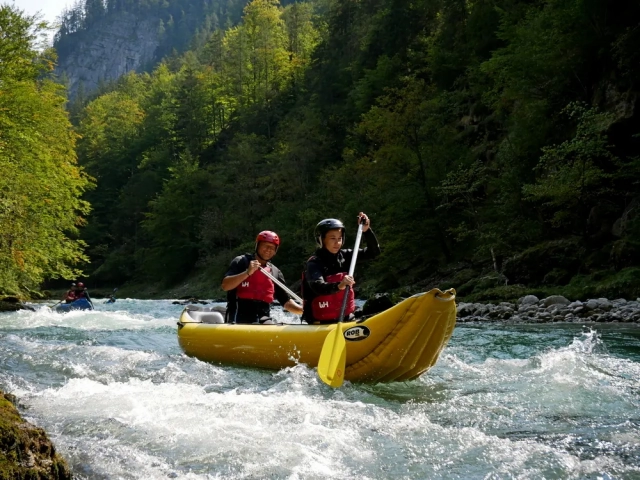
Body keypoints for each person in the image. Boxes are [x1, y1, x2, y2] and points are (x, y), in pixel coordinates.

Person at [302, 212, 381, 324]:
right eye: (332, 238)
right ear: (321, 240)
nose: (337, 242)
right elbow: (318, 287)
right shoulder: (314, 263)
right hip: (320, 321)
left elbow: (374, 252)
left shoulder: (347, 256)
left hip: (346, 317)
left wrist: (367, 230)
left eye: (340, 238)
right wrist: (340, 285)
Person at [221, 231, 303, 324]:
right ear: (257, 246)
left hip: (263, 320)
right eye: (265, 245)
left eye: (272, 247)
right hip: (236, 318)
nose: (268, 249)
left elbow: (286, 302)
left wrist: (303, 310)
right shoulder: (241, 262)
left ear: (275, 251)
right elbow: (225, 285)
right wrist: (247, 273)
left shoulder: (275, 272)